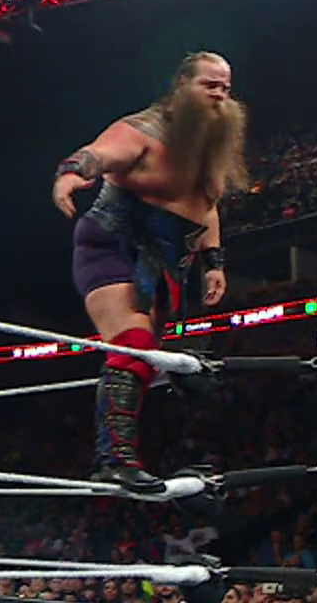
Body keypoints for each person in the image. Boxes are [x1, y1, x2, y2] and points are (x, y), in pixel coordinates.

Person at [51, 51, 245, 495]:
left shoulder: (209, 146)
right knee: (133, 344)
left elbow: (207, 207)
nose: (219, 96)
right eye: (209, 85)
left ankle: (128, 447)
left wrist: (214, 263)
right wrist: (70, 174)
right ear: (182, 86)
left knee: (148, 358)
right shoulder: (143, 131)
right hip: (112, 247)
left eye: (226, 88)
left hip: (165, 266)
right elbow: (97, 155)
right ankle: (112, 461)